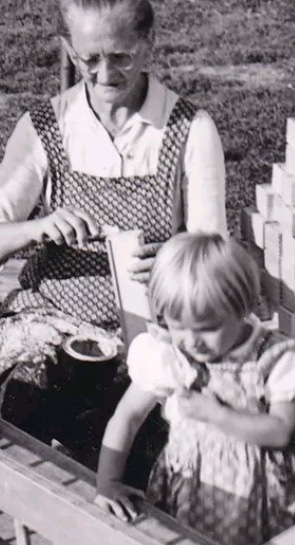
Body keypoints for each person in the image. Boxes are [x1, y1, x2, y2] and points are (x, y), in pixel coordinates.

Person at [0, 0, 227, 453]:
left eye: (121, 56)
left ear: (147, 44)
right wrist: (36, 228)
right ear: (68, 49)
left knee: (138, 433)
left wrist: (172, 259)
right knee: (23, 405)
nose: (105, 75)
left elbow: (215, 257)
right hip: (52, 322)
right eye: (89, 59)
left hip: (149, 331)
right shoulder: (47, 126)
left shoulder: (189, 129)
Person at [94, 232, 295, 545]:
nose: (192, 341)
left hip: (264, 496)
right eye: (178, 326)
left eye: (208, 328)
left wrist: (217, 415)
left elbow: (282, 430)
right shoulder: (171, 356)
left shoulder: (272, 356)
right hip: (195, 489)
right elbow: (128, 415)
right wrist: (108, 481)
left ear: (241, 308)